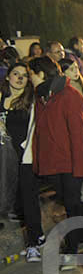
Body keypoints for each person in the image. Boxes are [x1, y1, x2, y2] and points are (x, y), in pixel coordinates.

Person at [30, 56, 83, 271]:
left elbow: (79, 136)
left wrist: (80, 168)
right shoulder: (41, 97)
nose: (30, 79)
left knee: (72, 206)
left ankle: (72, 250)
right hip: (53, 164)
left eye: (32, 74)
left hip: (71, 164)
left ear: (42, 74)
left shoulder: (70, 95)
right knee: (70, 204)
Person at [0, 62, 45, 261]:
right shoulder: (1, 99)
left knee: (28, 200)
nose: (19, 78)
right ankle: (38, 233)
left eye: (24, 75)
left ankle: (33, 244)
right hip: (4, 161)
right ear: (7, 77)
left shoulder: (31, 101)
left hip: (25, 158)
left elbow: (35, 129)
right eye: (15, 74)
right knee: (16, 202)